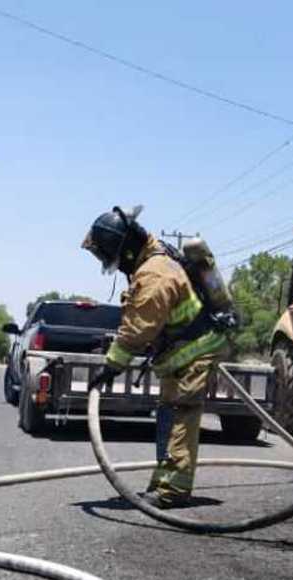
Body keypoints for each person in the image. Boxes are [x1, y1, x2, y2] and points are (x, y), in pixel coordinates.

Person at [82, 205, 228, 509]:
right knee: (168, 415)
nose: (117, 266)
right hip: (182, 353)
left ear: (126, 250)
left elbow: (138, 330)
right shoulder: (154, 258)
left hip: (195, 351)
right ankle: (162, 481)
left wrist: (111, 367)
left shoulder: (154, 274)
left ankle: (172, 491)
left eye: (115, 258)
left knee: (180, 415)